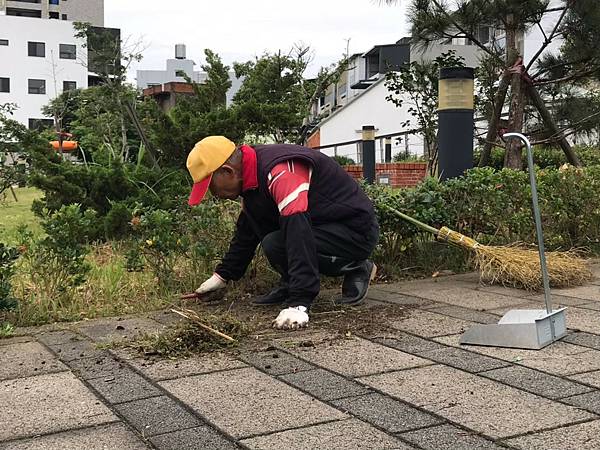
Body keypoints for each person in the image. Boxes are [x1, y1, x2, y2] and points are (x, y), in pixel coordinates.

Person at [188, 136, 379, 330]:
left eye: (211, 187)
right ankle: (290, 283)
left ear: (227, 171)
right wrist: (221, 277)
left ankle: (357, 267)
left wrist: (299, 303)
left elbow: (298, 233)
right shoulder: (250, 179)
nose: (214, 195)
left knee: (282, 239)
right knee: (273, 241)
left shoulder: (281, 170)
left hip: (354, 231)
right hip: (319, 226)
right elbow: (247, 232)